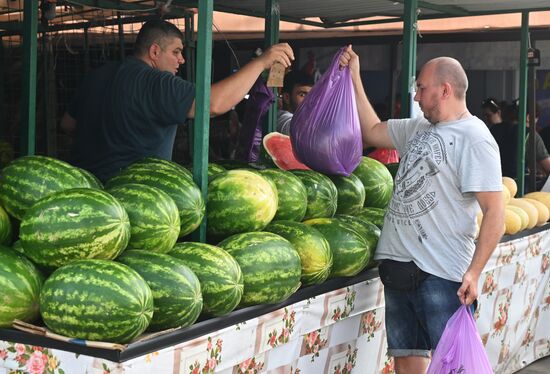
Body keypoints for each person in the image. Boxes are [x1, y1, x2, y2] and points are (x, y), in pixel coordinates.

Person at [339, 46, 504, 373]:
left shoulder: (475, 138)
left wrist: (473, 272)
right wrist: (355, 75)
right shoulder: (417, 129)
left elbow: (495, 214)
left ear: (445, 89)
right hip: (398, 271)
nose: (416, 95)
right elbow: (371, 129)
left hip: (442, 275)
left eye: (421, 88)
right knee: (407, 360)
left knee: (452, 364)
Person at [61, 19, 294, 182]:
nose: (181, 59)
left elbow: (68, 125)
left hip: (86, 188)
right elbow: (213, 104)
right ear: (154, 52)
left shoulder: (96, 76)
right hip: (132, 196)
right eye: (176, 52)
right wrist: (261, 62)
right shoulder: (157, 83)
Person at [277, 69, 314, 135]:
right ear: (286, 97)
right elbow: (299, 130)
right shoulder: (281, 119)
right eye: (302, 95)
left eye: (311, 95)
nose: (309, 100)